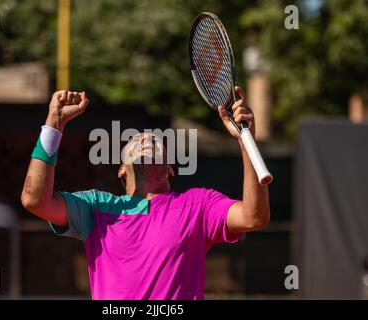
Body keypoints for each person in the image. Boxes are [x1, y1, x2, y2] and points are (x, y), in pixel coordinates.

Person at [21, 87, 270, 300]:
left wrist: (245, 140)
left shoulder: (198, 205)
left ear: (170, 169)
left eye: (155, 140)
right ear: (121, 169)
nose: (145, 140)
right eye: (134, 140)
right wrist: (54, 124)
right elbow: (34, 199)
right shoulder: (95, 208)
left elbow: (253, 217)